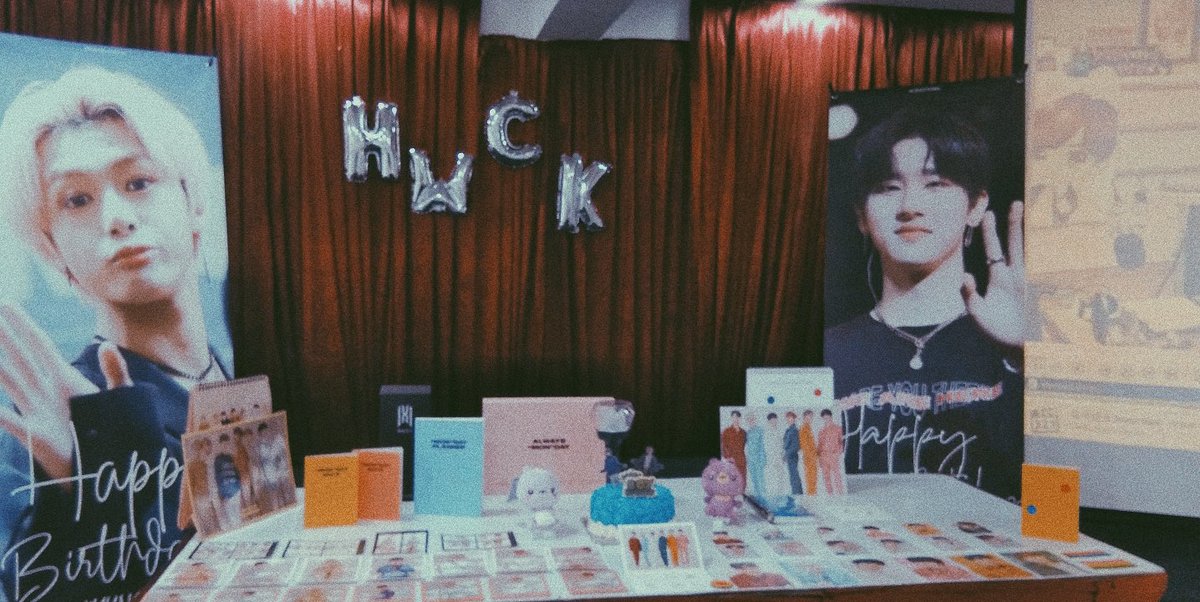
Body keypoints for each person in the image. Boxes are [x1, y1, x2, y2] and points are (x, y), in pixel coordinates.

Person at [0, 66, 228, 601]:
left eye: (138, 182)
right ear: (52, 249)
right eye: (76, 200)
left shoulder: (236, 373)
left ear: (194, 204)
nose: (117, 218)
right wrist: (80, 506)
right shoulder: (49, 420)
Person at [824, 106, 1024, 502]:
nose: (909, 206)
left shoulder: (1018, 348)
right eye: (888, 187)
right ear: (861, 216)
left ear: (976, 206)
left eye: (936, 184)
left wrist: (1024, 361)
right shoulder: (829, 353)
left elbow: (1062, 505)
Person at [816, 409, 846, 494]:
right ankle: (830, 494)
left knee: (837, 475)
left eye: (827, 417)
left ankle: (840, 494)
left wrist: (838, 452)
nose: (826, 420)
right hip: (823, 456)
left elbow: (842, 442)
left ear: (831, 417)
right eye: (824, 418)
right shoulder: (821, 431)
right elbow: (819, 444)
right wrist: (819, 457)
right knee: (826, 476)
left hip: (833, 455)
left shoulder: (838, 428)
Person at [719, 410, 747, 491]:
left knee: (742, 476)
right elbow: (723, 446)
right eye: (734, 417)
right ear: (731, 418)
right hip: (731, 458)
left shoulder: (743, 432)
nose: (735, 419)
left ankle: (742, 493)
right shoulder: (726, 431)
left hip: (741, 458)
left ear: (740, 418)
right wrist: (727, 457)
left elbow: (744, 445)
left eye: (737, 417)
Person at [742, 411, 766, 500]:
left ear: (755, 420)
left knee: (760, 479)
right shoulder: (748, 432)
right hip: (750, 459)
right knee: (754, 479)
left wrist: (763, 459)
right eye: (749, 420)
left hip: (759, 459)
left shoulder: (760, 430)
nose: (750, 421)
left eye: (752, 419)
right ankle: (758, 498)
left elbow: (763, 445)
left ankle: (763, 497)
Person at [798, 410, 818, 495]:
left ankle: (812, 493)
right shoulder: (804, 428)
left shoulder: (808, 428)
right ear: (804, 417)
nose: (810, 418)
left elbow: (812, 443)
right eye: (808, 417)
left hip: (812, 456)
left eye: (811, 417)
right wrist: (811, 456)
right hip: (809, 457)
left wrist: (816, 453)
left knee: (813, 477)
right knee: (810, 477)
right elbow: (804, 445)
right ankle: (811, 494)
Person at [783, 411, 802, 494]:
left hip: (792, 455)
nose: (789, 420)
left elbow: (796, 445)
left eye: (791, 418)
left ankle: (797, 493)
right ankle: (796, 492)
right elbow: (785, 443)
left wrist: (787, 455)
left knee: (794, 475)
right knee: (792, 475)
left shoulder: (794, 430)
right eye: (788, 418)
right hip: (789, 455)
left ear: (794, 419)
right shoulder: (788, 430)